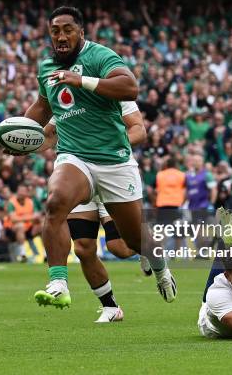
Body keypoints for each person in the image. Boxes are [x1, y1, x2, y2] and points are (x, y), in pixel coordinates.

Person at [19, 6, 176, 309]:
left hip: (114, 161)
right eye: (55, 31)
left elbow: (130, 87)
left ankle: (159, 265)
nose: (61, 36)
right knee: (56, 205)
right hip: (74, 158)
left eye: (67, 29)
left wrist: (83, 81)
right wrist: (21, 135)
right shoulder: (47, 67)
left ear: (80, 31)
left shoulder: (100, 56)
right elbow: (42, 106)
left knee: (130, 241)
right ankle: (58, 283)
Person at [39, 100, 151, 322]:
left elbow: (139, 130)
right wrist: (24, 144)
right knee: (83, 248)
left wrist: (106, 146)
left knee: (119, 247)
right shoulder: (66, 98)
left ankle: (146, 245)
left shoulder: (114, 92)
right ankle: (111, 307)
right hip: (78, 176)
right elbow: (50, 134)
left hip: (111, 172)